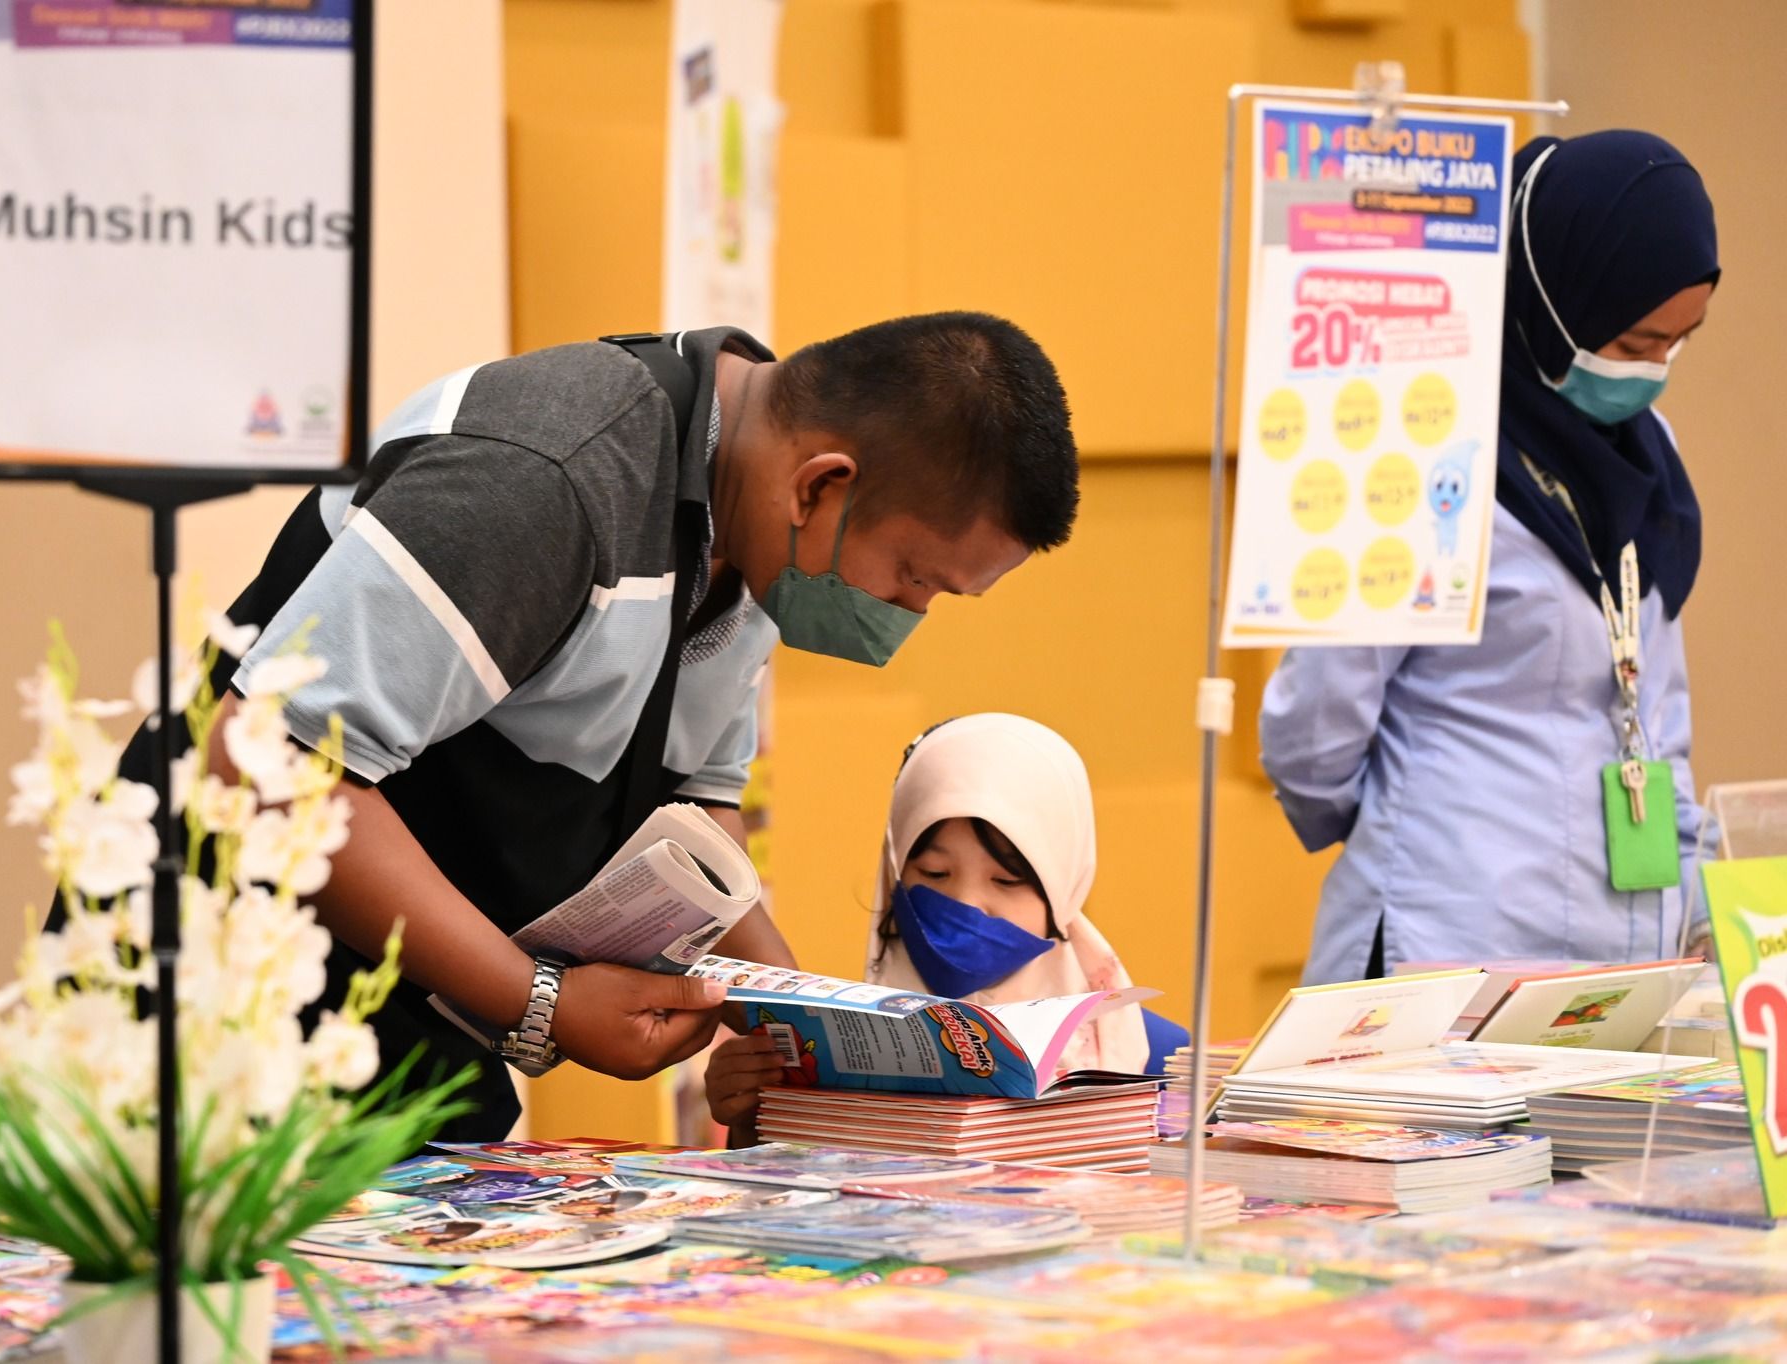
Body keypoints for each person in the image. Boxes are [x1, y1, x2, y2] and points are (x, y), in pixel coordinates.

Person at [194, 315, 1081, 1139]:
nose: (908, 611)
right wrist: (541, 1003)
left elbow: (693, 820)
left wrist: (814, 1028)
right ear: (822, 485)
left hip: (415, 1022)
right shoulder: (544, 478)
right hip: (222, 1004)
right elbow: (271, 770)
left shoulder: (757, 536)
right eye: (914, 576)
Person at [1261, 131, 1719, 984]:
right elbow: (1314, 730)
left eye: (1676, 342)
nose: (1652, 372)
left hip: (1628, 951)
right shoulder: (1417, 450)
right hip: (1448, 938)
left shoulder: (1650, 453)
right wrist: (1430, 810)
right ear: (1550, 303)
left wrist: (1698, 900)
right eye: (1628, 345)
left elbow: (1662, 715)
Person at [706, 713, 1149, 1142]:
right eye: (935, 874)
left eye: (1006, 881)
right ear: (894, 874)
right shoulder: (824, 1055)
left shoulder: (1135, 1057)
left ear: (1065, 887)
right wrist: (750, 1118)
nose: (966, 905)